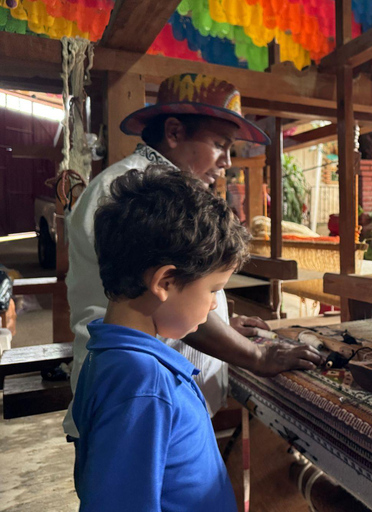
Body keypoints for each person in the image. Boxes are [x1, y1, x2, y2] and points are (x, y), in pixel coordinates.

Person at [63, 73, 322, 438]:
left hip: (160, 404)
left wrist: (221, 324)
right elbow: (162, 296)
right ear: (173, 132)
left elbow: (178, 296)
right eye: (219, 144)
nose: (227, 161)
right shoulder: (135, 195)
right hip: (136, 407)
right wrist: (258, 356)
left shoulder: (159, 189)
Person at [73, 166, 246, 511]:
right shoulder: (142, 384)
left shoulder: (114, 358)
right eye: (213, 290)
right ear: (164, 282)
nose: (214, 304)